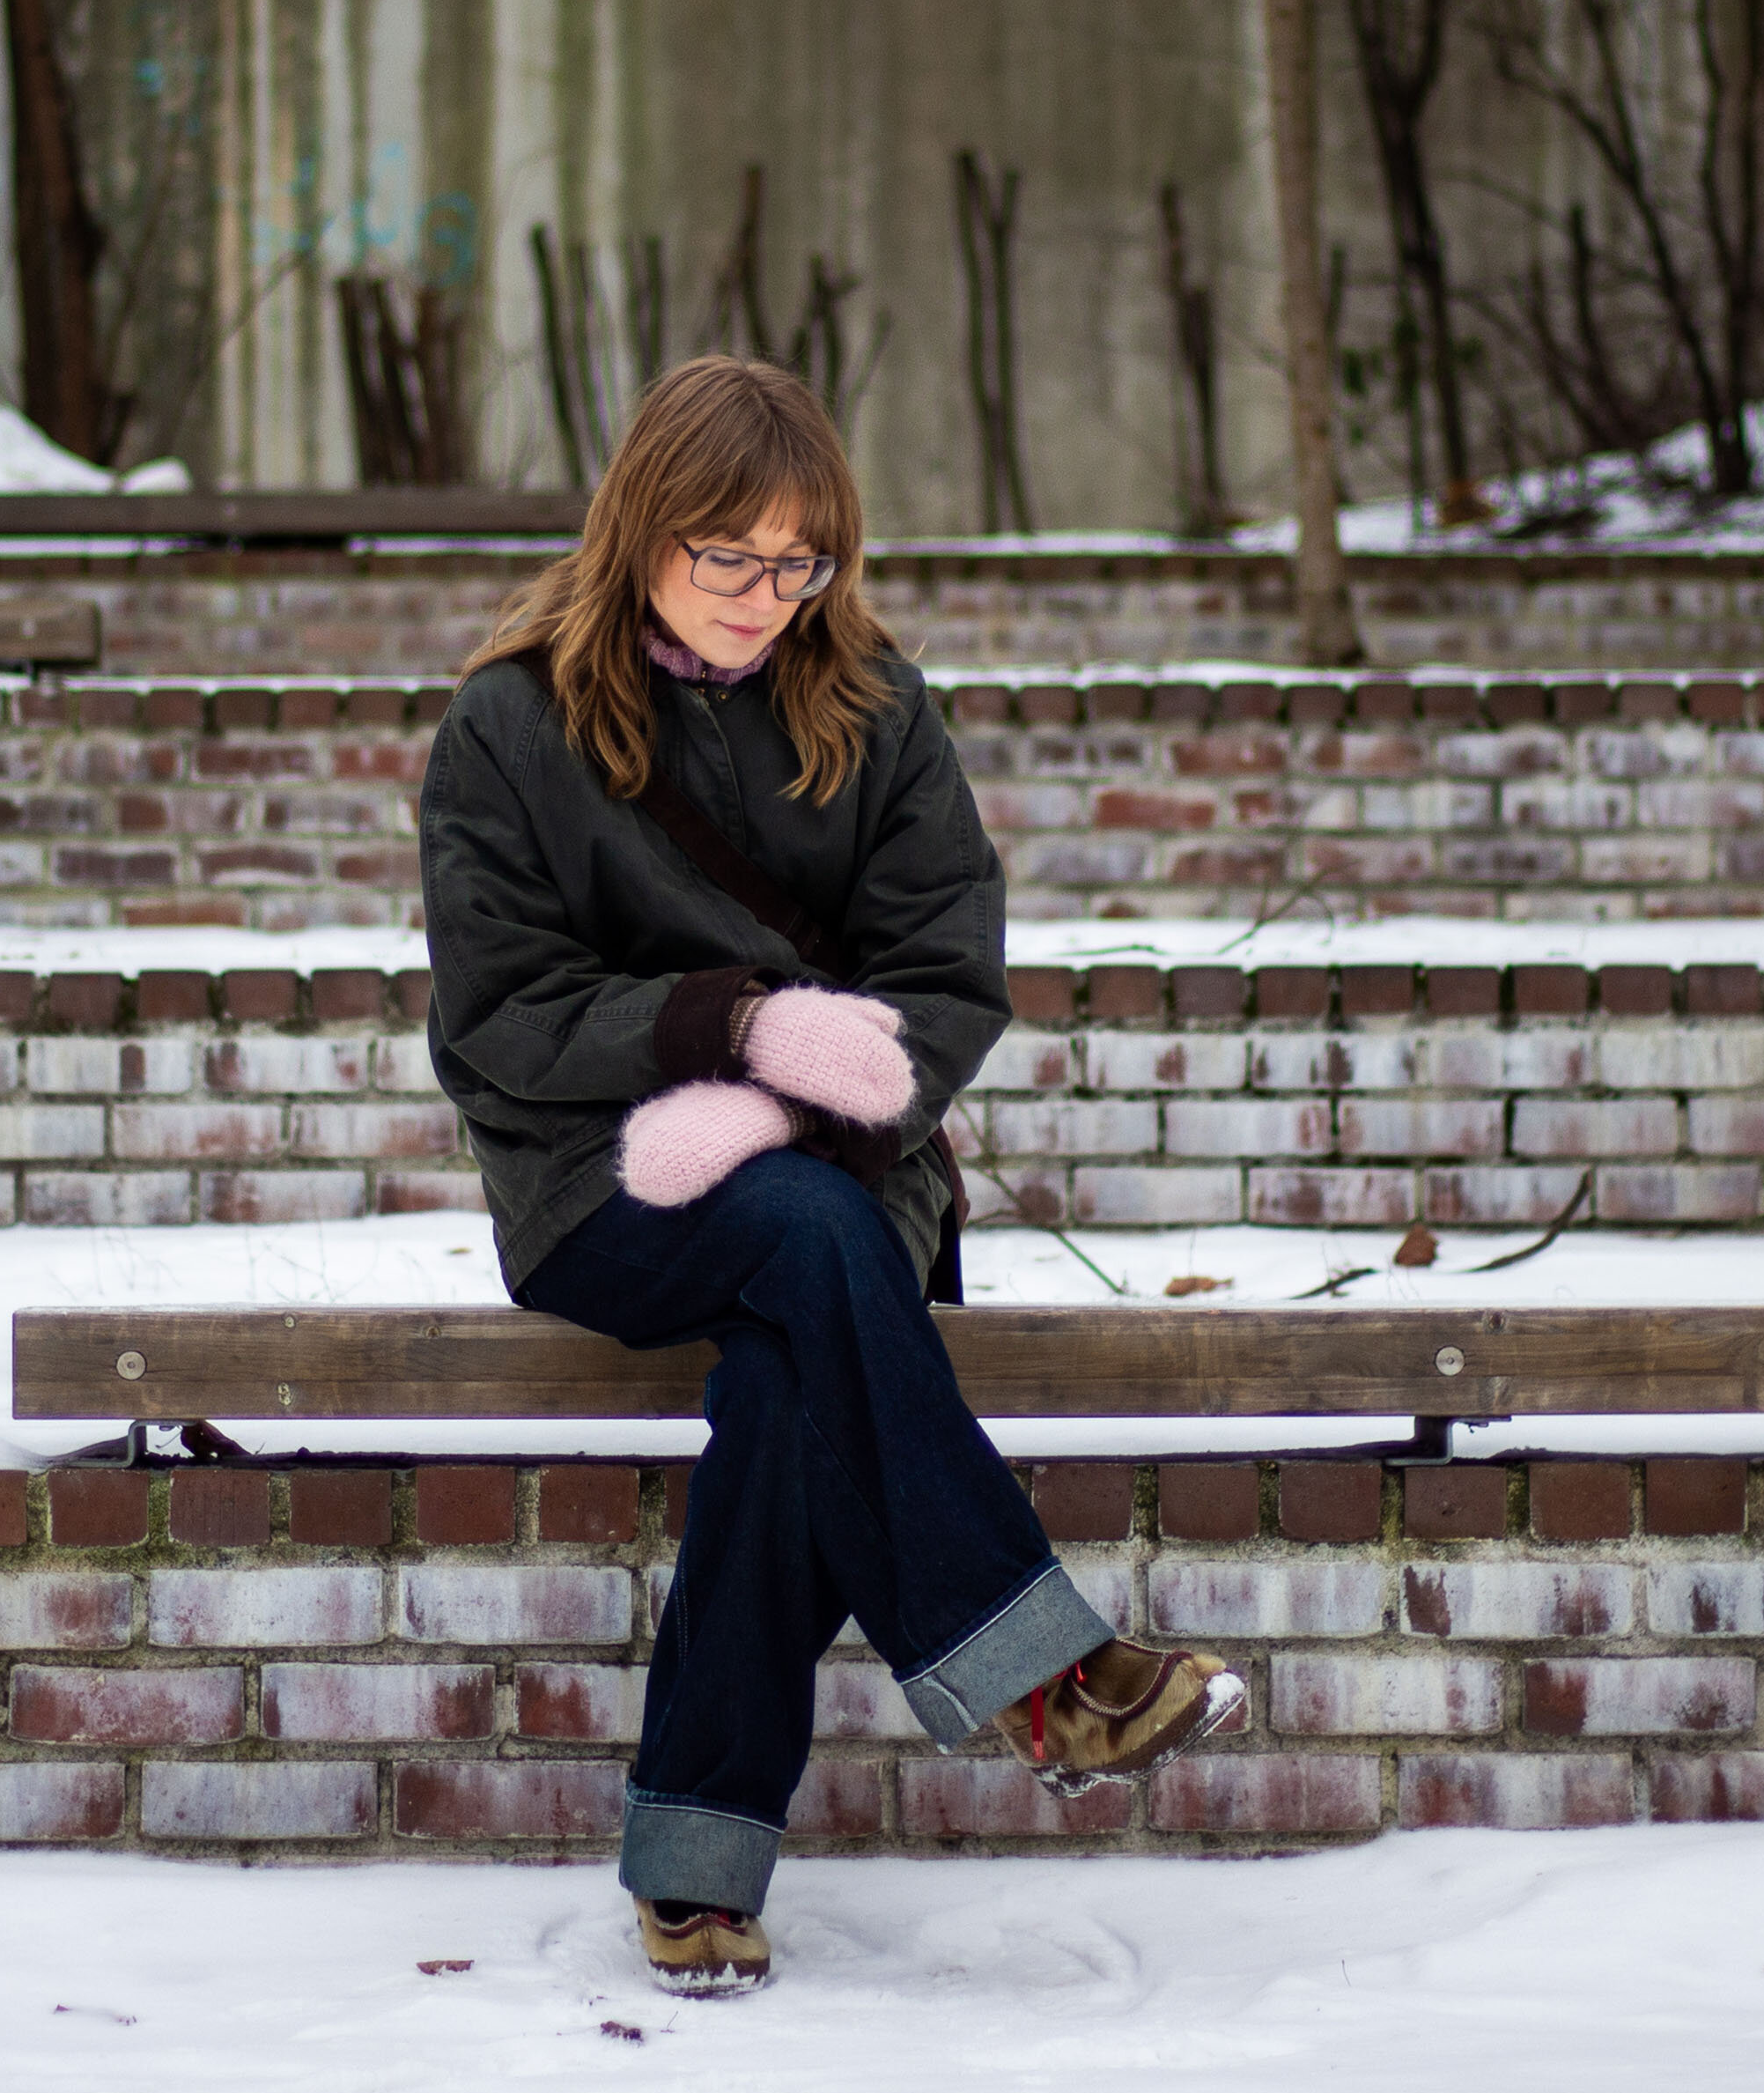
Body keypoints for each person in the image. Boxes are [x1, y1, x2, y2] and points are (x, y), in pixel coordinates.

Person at [416, 356, 1242, 2001]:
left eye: (801, 561)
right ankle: (1045, 1670)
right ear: (641, 529)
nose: (764, 596)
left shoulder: (874, 709)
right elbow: (499, 1015)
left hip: (852, 1168)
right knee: (808, 1250)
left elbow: (950, 972)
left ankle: (696, 1866)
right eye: (729, 555)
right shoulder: (508, 728)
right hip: (603, 1178)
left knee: (798, 1360)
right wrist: (724, 1023)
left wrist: (811, 1103)